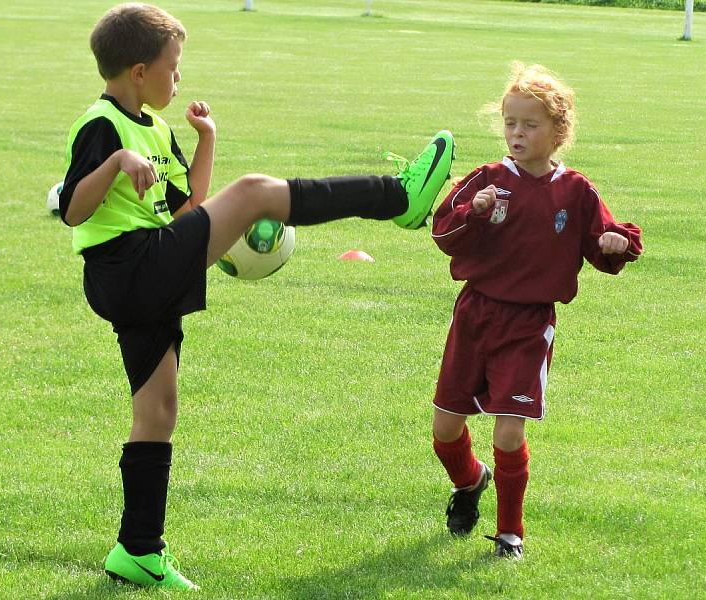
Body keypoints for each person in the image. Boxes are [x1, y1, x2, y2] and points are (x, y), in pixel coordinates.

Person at [58, 3, 454, 591]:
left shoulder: (156, 128)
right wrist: (117, 162)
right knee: (255, 192)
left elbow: (189, 206)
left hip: (145, 270)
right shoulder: (103, 125)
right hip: (129, 266)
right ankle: (398, 197)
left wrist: (207, 138)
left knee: (157, 411)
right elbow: (72, 209)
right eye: (174, 67)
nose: (179, 78)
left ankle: (137, 550)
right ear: (138, 71)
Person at [429, 63, 642, 559]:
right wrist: (473, 214)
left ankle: (510, 534)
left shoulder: (576, 191)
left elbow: (606, 244)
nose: (517, 133)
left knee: (508, 427)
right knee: (444, 428)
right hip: (475, 314)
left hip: (529, 324)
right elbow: (443, 233)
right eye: (510, 123)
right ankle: (470, 480)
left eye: (530, 124)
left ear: (558, 132)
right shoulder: (487, 180)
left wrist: (615, 243)